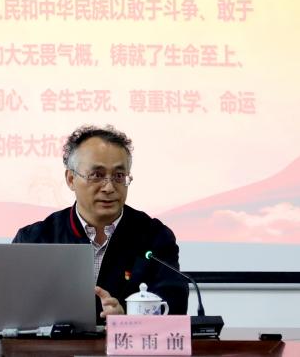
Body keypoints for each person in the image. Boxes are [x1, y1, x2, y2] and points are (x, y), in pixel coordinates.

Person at [13, 125, 188, 323]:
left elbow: (174, 306)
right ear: (71, 179)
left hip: (127, 343)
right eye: (97, 175)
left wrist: (127, 320)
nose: (109, 187)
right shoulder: (35, 239)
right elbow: (12, 308)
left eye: (119, 176)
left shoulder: (154, 237)